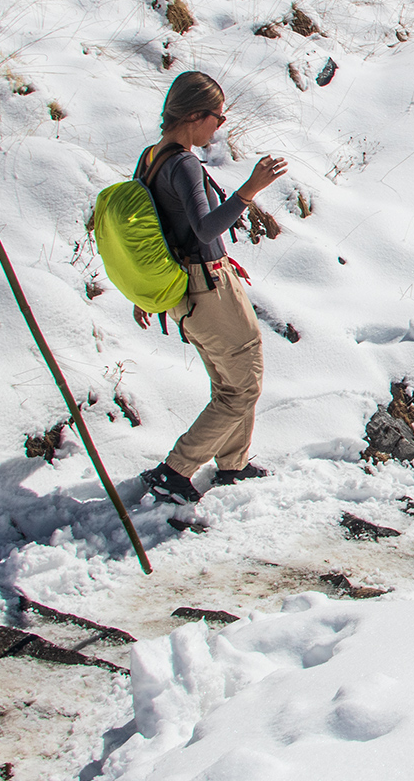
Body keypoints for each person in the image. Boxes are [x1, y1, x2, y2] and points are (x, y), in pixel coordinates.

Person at [135, 73, 287, 504]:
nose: (218, 127)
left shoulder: (151, 157)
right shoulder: (182, 162)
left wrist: (142, 291)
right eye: (217, 118)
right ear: (196, 115)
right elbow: (205, 228)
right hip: (208, 286)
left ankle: (233, 465)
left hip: (185, 290)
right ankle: (175, 471)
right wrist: (249, 191)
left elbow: (153, 229)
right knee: (241, 388)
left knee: (230, 381)